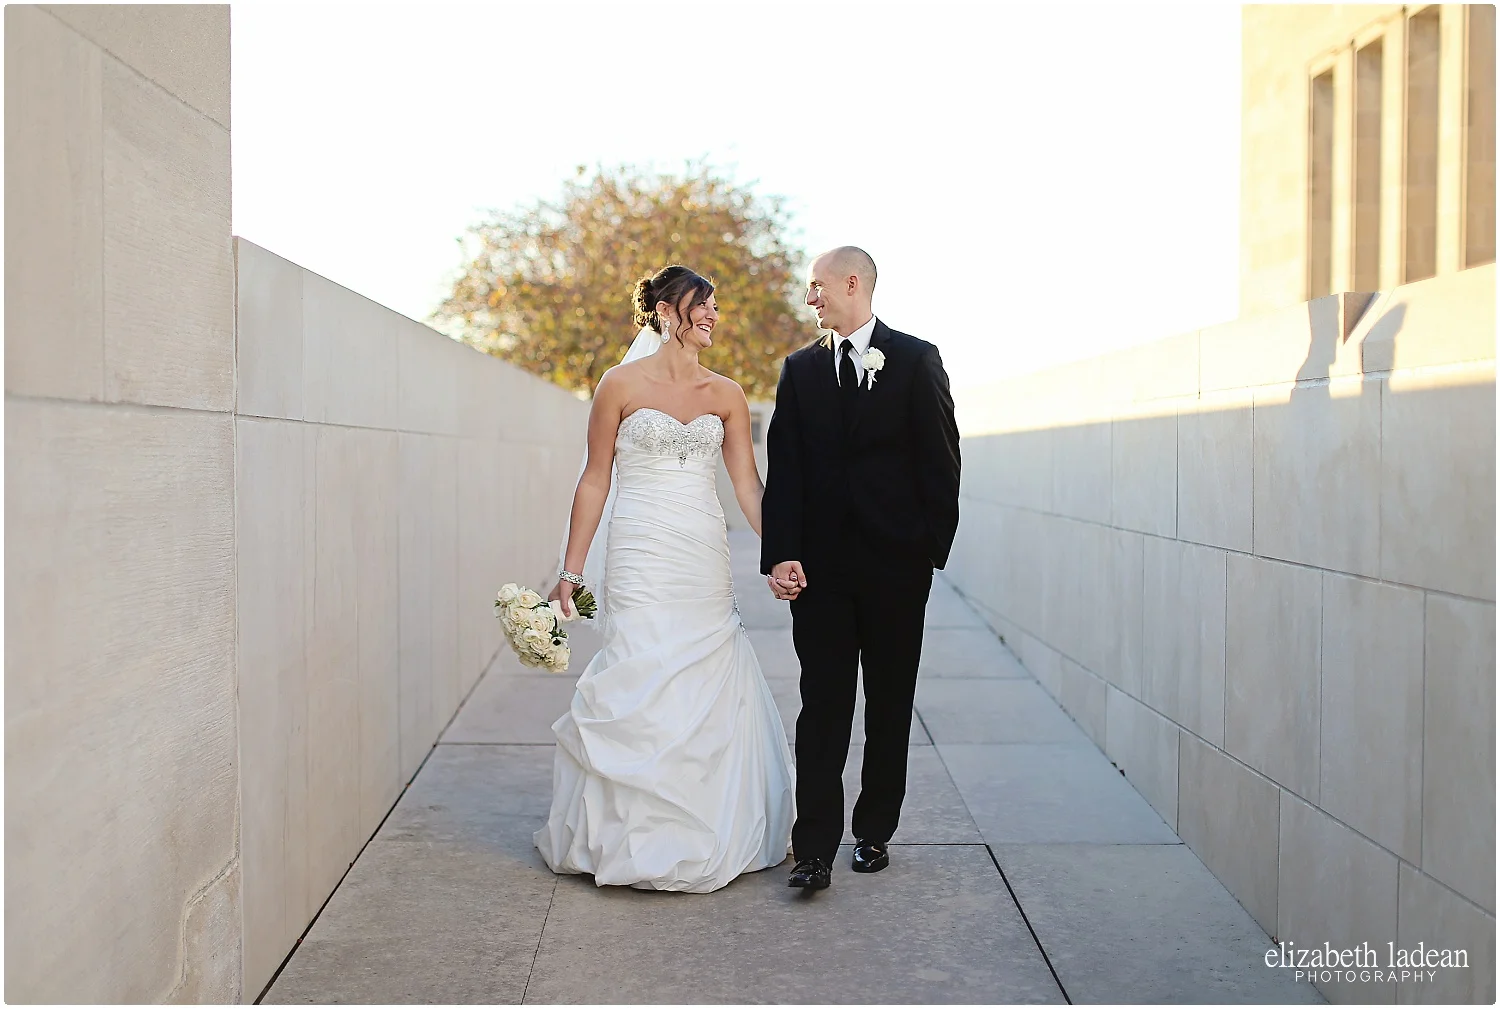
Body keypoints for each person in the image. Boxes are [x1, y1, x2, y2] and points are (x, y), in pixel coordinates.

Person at [535, 265, 795, 893]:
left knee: (705, 665)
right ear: (664, 311)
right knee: (639, 660)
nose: (712, 316)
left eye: (714, 306)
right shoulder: (618, 385)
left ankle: (707, 825)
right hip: (639, 549)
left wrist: (782, 551)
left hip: (700, 550)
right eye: (700, 305)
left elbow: (746, 486)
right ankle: (629, 835)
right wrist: (571, 569)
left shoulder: (726, 394)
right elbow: (595, 478)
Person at [760, 246, 961, 891]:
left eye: (815, 286)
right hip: (820, 575)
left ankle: (874, 832)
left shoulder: (916, 359)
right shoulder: (799, 370)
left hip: (897, 571)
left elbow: (942, 460)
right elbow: (785, 472)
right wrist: (782, 552)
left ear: (852, 284)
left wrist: (928, 552)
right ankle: (814, 848)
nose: (809, 298)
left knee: (889, 703)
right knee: (822, 706)